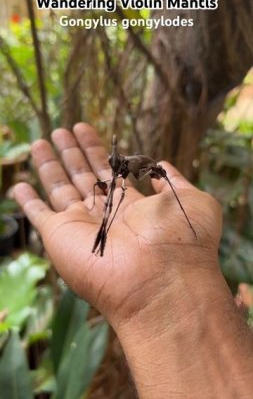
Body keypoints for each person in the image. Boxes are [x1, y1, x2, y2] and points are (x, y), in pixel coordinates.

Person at [14, 123, 253, 398]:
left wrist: (187, 249)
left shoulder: (135, 168)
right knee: (101, 188)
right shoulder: (118, 171)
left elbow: (132, 181)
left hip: (147, 169)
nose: (113, 168)